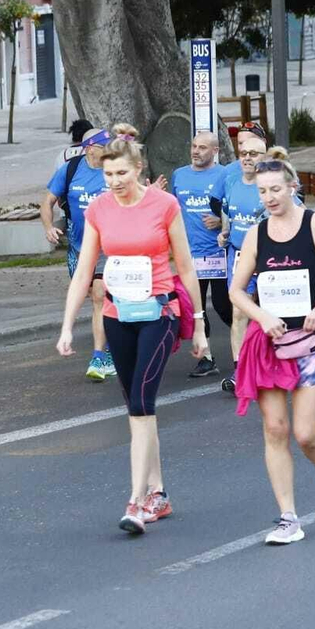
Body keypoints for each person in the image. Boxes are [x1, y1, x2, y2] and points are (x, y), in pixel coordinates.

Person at [56, 138, 207, 534]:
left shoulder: (164, 205)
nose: (115, 181)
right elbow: (85, 270)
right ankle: (159, 492)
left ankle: (137, 501)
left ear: (139, 168)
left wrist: (202, 325)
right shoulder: (99, 209)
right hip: (117, 315)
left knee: (142, 402)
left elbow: (186, 267)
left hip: (159, 312)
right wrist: (67, 325)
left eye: (121, 173)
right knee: (138, 407)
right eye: (108, 175)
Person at [228, 151, 315, 546]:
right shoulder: (257, 234)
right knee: (275, 429)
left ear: (292, 187)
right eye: (262, 191)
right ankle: (288, 518)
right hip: (270, 343)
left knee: (305, 434)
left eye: (275, 189)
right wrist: (261, 315)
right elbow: (235, 290)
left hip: (313, 341)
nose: (269, 197)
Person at [44, 127, 113, 380]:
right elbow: (47, 201)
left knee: (99, 295)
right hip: (79, 247)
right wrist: (48, 227)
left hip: (108, 247)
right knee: (94, 297)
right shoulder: (71, 170)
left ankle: (99, 355)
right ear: (90, 147)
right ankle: (115, 342)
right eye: (104, 144)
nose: (109, 148)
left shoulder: (113, 171)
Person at [215, 133, 275, 393]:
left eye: (254, 154)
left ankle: (272, 364)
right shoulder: (231, 181)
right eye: (244, 154)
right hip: (239, 256)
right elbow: (230, 214)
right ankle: (241, 370)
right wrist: (225, 232)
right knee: (239, 311)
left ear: (265, 157)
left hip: (269, 259)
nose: (248, 158)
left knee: (270, 312)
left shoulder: (271, 186)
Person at [170, 130, 232, 378]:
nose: (196, 151)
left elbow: (233, 207)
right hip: (190, 255)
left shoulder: (225, 174)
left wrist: (221, 222)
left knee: (223, 306)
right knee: (197, 308)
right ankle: (206, 358)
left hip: (219, 252)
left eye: (203, 147)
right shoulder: (179, 175)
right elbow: (171, 210)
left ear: (215, 151)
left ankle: (252, 343)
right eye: (194, 146)